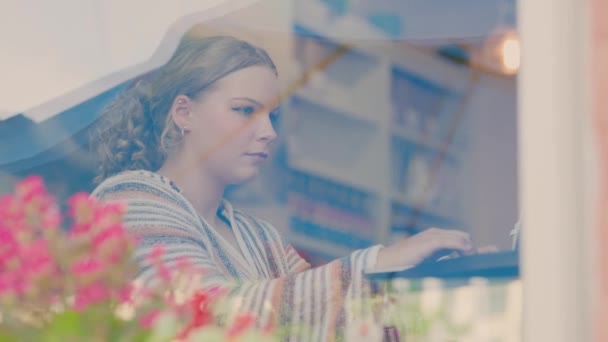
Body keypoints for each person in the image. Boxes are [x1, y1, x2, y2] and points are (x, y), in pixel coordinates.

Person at [89, 31, 474, 341]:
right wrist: (379, 262)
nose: (268, 133)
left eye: (272, 115)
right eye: (245, 111)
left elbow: (331, 316)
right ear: (184, 112)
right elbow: (206, 314)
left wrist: (444, 286)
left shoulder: (259, 237)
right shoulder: (128, 202)